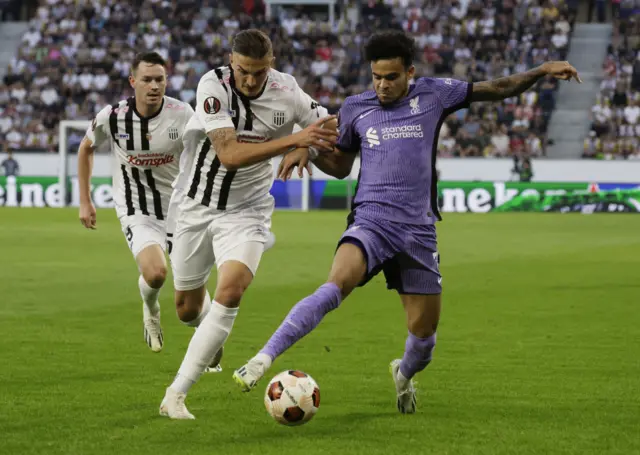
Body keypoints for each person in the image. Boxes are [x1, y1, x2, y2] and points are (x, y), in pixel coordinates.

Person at [233, 30, 581, 414]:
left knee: (424, 336)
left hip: (417, 230)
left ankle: (404, 375)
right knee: (336, 285)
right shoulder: (355, 107)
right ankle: (262, 359)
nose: (382, 85)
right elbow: (341, 167)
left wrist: (542, 69)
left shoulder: (434, 95)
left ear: (410, 72)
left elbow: (496, 88)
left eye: (391, 77)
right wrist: (305, 146)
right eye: (376, 77)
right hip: (371, 221)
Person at [158, 29, 338, 420]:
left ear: (270, 65)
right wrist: (294, 140)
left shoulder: (287, 90)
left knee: (233, 288)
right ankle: (206, 331)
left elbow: (327, 125)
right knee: (187, 309)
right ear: (231, 61)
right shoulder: (213, 84)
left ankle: (176, 394)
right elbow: (229, 154)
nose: (251, 80)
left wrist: (306, 143)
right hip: (193, 206)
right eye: (244, 71)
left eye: (259, 72)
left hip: (247, 211)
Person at [78, 52, 195, 354]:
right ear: (133, 82)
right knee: (156, 273)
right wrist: (85, 201)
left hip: (179, 209)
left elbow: (204, 154)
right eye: (147, 80)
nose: (154, 86)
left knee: (192, 301)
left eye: (160, 79)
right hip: (136, 208)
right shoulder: (113, 116)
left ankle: (204, 338)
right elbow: (86, 148)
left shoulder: (182, 114)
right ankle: (151, 309)